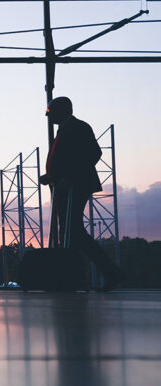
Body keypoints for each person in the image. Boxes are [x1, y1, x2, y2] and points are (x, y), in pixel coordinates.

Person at [40, 96, 125, 291]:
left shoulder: (78, 127)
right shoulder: (64, 129)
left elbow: (93, 153)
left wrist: (69, 177)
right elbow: (70, 157)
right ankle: (87, 274)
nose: (48, 117)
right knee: (71, 231)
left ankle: (98, 273)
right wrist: (51, 175)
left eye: (50, 112)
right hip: (64, 186)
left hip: (75, 186)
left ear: (62, 111)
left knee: (72, 230)